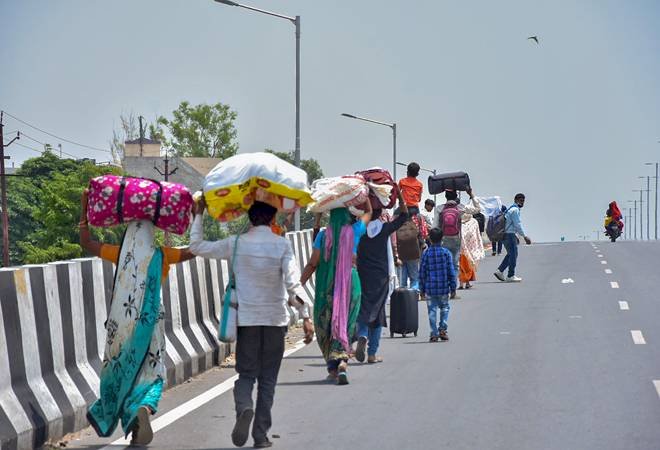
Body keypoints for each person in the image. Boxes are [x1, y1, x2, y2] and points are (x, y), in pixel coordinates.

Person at [189, 198, 314, 449]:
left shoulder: (235, 244)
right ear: (272, 219)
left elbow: (197, 246)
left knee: (246, 375)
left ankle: (244, 406)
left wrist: (199, 214)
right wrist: (306, 315)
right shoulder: (281, 245)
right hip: (275, 322)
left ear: (249, 219)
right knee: (268, 381)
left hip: (246, 322)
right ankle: (260, 435)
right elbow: (293, 284)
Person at [79, 189, 196, 446]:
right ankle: (144, 406)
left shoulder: (119, 253)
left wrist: (84, 209)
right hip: (151, 325)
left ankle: (133, 422)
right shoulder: (162, 255)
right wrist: (197, 217)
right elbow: (194, 250)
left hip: (121, 325)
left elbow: (87, 243)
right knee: (152, 373)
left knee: (124, 372)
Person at [300, 203, 372, 385]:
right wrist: (367, 198)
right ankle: (342, 364)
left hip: (326, 286)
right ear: (348, 216)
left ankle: (333, 369)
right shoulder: (354, 231)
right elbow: (369, 213)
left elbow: (312, 263)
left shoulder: (323, 236)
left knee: (325, 323)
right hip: (350, 285)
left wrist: (298, 284)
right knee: (346, 323)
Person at [356, 191, 409, 364]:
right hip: (380, 277)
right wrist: (400, 195)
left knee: (364, 309)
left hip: (362, 273)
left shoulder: (359, 229)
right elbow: (404, 216)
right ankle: (372, 353)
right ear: (381, 214)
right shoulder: (385, 229)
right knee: (378, 313)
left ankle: (362, 335)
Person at [433, 188, 481, 291]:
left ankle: (445, 286)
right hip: (457, 238)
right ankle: (453, 289)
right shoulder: (461, 208)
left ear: (445, 196)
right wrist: (471, 194)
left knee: (444, 263)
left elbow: (435, 227)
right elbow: (478, 209)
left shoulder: (439, 209)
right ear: (456, 197)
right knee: (455, 264)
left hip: (443, 239)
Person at [419, 228, 456, 342]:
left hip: (430, 289)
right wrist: (453, 287)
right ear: (442, 238)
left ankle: (434, 333)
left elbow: (422, 272)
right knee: (445, 308)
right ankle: (442, 329)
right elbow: (451, 271)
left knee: (432, 310)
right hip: (444, 287)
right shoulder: (446, 253)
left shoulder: (426, 254)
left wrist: (422, 289)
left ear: (429, 238)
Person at [494, 193, 532, 283]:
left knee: (511, 254)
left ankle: (500, 271)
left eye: (523, 201)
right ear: (516, 200)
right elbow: (517, 224)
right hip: (509, 235)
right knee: (514, 254)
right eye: (520, 200)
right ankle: (511, 275)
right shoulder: (515, 210)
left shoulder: (510, 209)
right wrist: (525, 236)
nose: (522, 203)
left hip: (505, 234)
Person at [458, 213, 485, 289]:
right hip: (471, 249)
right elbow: (477, 235)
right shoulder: (473, 222)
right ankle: (467, 283)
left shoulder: (460, 222)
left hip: (461, 248)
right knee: (469, 265)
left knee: (461, 266)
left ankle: (461, 284)